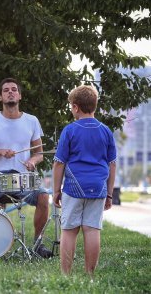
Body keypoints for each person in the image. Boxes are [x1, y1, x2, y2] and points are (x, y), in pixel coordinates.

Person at [0, 77, 52, 258]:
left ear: (20, 96)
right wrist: (0, 152)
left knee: (43, 196)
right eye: (6, 90)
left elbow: (39, 153)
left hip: (23, 177)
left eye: (13, 89)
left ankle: (38, 245)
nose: (10, 92)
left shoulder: (32, 121)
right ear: (0, 98)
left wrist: (32, 162)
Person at [52, 85, 116, 275]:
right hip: (98, 188)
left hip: (73, 187)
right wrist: (110, 193)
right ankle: (90, 275)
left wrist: (56, 191)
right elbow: (112, 164)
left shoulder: (70, 130)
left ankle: (66, 275)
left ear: (76, 107)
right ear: (94, 106)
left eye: (71, 106)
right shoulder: (106, 131)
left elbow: (58, 163)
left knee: (69, 230)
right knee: (92, 230)